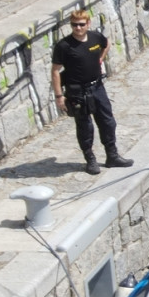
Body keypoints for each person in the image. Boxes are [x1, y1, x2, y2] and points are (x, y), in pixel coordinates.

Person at [51, 9, 134, 175]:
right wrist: (59, 96)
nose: (78, 28)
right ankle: (90, 160)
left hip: (97, 87)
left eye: (81, 24)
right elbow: (55, 71)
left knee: (107, 121)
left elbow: (107, 44)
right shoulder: (64, 46)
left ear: (88, 24)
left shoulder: (95, 37)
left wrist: (100, 58)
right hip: (77, 92)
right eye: (74, 25)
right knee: (85, 127)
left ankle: (112, 156)